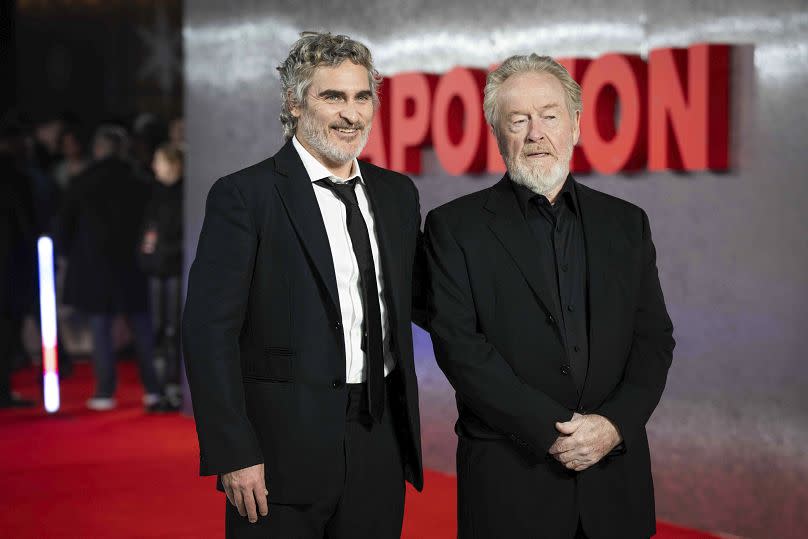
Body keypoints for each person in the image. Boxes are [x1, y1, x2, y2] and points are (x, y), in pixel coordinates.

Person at [183, 32, 425, 538]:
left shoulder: (397, 195)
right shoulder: (245, 196)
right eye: (332, 96)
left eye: (362, 97)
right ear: (294, 103)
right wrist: (234, 450)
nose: (351, 114)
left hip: (378, 440)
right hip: (277, 453)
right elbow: (209, 333)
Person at [424, 54, 675, 539]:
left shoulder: (626, 223)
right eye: (518, 120)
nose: (536, 133)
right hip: (512, 484)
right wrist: (554, 432)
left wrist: (613, 426)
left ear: (576, 125)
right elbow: (461, 349)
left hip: (615, 482)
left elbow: (654, 340)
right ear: (497, 133)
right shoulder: (454, 228)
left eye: (550, 115)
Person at [60, 125, 162, 411]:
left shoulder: (82, 181)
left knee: (100, 330)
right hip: (133, 265)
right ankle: (153, 390)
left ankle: (105, 392)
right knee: (142, 328)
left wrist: (73, 255)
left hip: (94, 266)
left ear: (98, 149)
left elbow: (64, 226)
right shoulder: (140, 181)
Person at [138, 143, 184, 411]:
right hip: (157, 270)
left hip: (174, 270)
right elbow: (148, 231)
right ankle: (159, 388)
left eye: (159, 161)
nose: (154, 166)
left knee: (173, 330)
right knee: (158, 330)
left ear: (173, 165)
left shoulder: (184, 196)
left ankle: (174, 387)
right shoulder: (154, 195)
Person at [0, 120, 36, 408]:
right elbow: (25, 225)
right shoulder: (15, 177)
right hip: (10, 267)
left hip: (11, 265)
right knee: (8, 329)